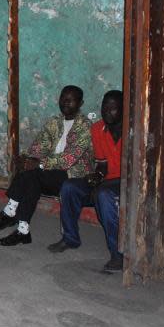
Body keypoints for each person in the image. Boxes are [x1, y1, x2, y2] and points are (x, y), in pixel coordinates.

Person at [0, 85, 93, 245]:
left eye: (71, 100)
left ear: (80, 103)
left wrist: (39, 163)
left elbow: (69, 159)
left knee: (34, 174)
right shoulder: (55, 122)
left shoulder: (85, 126)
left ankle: (10, 213)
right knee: (31, 176)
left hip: (73, 176)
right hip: (49, 173)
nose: (65, 103)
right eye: (63, 99)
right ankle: (22, 228)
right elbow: (40, 145)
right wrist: (28, 158)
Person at [48, 90, 124, 273]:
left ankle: (118, 255)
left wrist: (102, 184)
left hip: (126, 184)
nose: (107, 112)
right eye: (105, 107)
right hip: (106, 182)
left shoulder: (133, 132)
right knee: (70, 187)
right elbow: (102, 165)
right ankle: (70, 238)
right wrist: (97, 176)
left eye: (113, 108)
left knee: (103, 194)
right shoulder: (98, 129)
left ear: (123, 110)